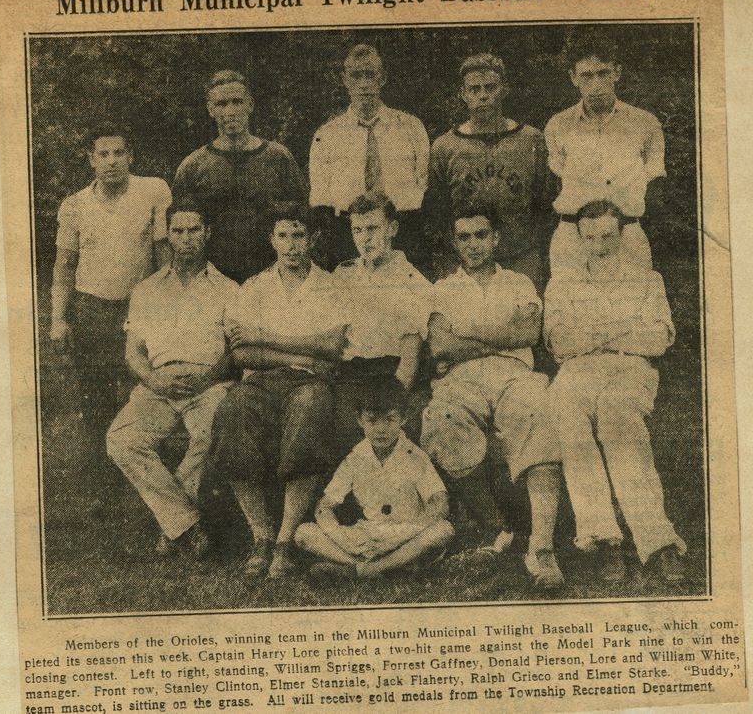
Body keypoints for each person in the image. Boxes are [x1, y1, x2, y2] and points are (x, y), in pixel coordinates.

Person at [420, 208, 564, 589]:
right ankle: (497, 528)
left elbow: (529, 332)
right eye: (464, 237)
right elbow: (440, 345)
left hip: (514, 374)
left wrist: (469, 336)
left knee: (539, 410)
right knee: (442, 419)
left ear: (495, 239)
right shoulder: (443, 289)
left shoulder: (518, 282)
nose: (473, 244)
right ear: (455, 243)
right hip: (461, 379)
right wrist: (500, 334)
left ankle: (542, 545)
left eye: (481, 235)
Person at [544, 200, 686, 583]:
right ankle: (605, 539)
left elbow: (658, 339)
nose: (600, 244)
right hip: (578, 369)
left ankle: (657, 541)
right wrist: (620, 330)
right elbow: (558, 342)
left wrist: (593, 335)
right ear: (579, 238)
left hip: (630, 367)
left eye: (608, 235)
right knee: (569, 412)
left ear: (622, 234)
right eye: (590, 237)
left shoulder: (646, 280)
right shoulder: (562, 283)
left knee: (616, 415)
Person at [207, 204, 348, 579]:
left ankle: (286, 539)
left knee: (309, 411)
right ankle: (261, 535)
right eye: (283, 236)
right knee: (231, 411)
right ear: (271, 240)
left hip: (309, 382)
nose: (291, 246)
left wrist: (265, 337)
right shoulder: (254, 288)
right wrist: (302, 350)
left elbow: (332, 345)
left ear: (313, 239)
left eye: (299, 235)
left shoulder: (331, 286)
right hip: (259, 381)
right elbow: (242, 352)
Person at [106, 204, 238, 558]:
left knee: (208, 435)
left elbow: (237, 352)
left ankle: (172, 526)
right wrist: (154, 381)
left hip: (208, 384)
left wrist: (208, 377)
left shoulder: (228, 289)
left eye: (194, 230)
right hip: (158, 385)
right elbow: (133, 353)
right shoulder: (147, 290)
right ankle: (185, 523)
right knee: (123, 439)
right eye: (178, 232)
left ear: (207, 233)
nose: (186, 239)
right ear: (169, 236)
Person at [50, 123, 172, 445]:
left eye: (119, 153)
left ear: (130, 156)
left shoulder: (154, 191)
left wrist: (170, 305)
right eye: (103, 154)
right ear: (91, 159)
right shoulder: (74, 205)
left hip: (141, 307)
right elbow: (63, 267)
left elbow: (163, 255)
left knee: (144, 387)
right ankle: (101, 469)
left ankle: (139, 455)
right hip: (92, 307)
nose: (112, 161)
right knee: (96, 393)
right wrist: (58, 320)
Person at [295, 376, 454, 581]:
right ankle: (380, 569)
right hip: (369, 536)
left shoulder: (415, 456)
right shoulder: (355, 458)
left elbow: (440, 503)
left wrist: (406, 533)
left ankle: (360, 571)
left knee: (443, 530)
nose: (381, 429)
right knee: (304, 533)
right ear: (360, 420)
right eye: (372, 420)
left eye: (389, 419)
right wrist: (339, 535)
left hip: (406, 533)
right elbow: (325, 506)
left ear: (403, 418)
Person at [426, 53, 553, 290]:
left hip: (521, 256)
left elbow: (546, 204)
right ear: (463, 94)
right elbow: (437, 213)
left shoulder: (531, 140)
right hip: (466, 259)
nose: (483, 95)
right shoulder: (445, 147)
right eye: (474, 89)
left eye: (490, 87)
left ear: (504, 90)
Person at [544, 33, 666, 273]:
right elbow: (555, 179)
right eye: (587, 76)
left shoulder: (646, 123)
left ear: (616, 73)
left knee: (632, 304)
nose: (596, 84)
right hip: (573, 235)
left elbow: (655, 183)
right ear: (573, 78)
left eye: (603, 73)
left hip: (626, 233)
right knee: (570, 305)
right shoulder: (557, 125)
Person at [172, 70, 307, 284]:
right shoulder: (193, 165)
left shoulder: (278, 157)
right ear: (210, 109)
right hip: (213, 280)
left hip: (271, 277)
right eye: (222, 104)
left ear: (250, 105)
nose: (231, 111)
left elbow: (301, 218)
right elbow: (180, 228)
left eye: (237, 102)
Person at [331, 192, 433, 460]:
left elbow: (409, 360)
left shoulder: (412, 281)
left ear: (392, 229)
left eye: (373, 228)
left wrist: (387, 403)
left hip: (392, 374)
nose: (365, 238)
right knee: (334, 428)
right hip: (349, 375)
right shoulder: (342, 275)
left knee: (386, 432)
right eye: (358, 230)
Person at [309, 44, 430, 269]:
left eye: (370, 74)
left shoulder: (411, 128)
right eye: (356, 76)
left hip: (403, 232)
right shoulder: (326, 135)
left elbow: (424, 187)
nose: (364, 84)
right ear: (345, 80)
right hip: (347, 235)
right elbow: (320, 201)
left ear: (382, 78)